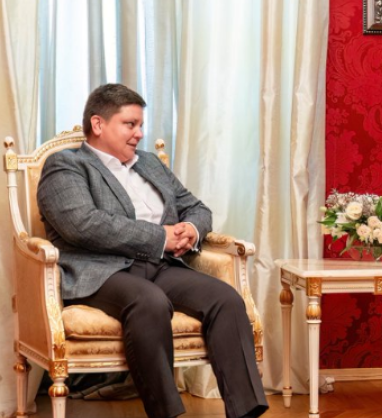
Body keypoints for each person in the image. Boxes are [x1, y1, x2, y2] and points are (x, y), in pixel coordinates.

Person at [37, 83, 268, 418]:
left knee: (226, 299)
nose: (140, 134)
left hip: (161, 266)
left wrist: (190, 229)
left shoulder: (149, 163)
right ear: (98, 124)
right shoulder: (66, 165)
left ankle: (246, 412)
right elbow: (83, 224)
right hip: (102, 271)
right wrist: (160, 237)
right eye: (130, 124)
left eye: (141, 125)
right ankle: (166, 413)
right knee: (149, 302)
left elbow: (197, 207)